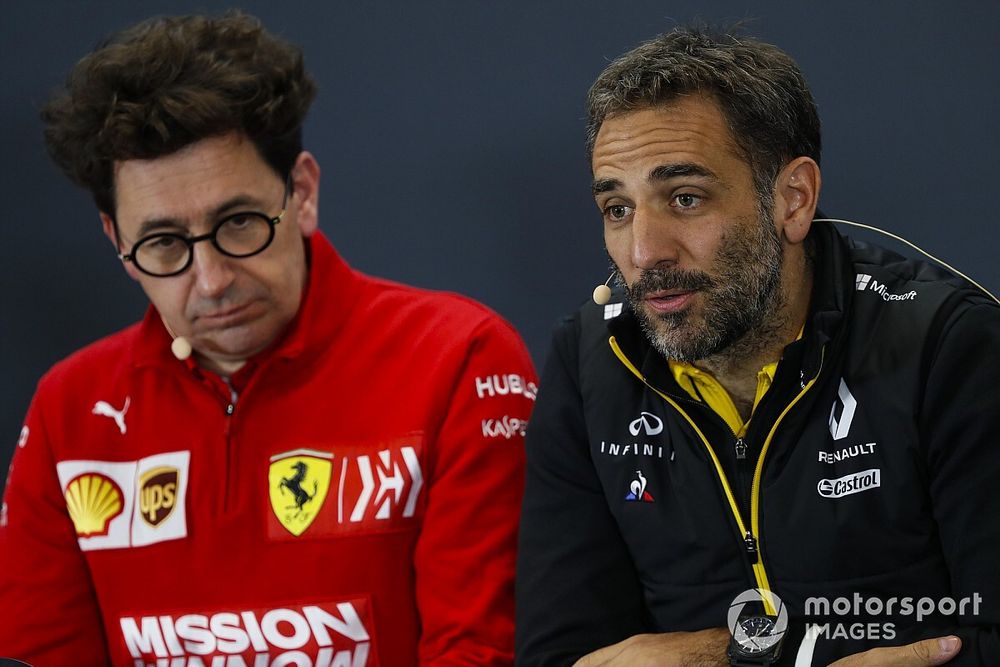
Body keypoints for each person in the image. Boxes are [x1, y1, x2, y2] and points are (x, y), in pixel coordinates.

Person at [0, 12, 537, 666]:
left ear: (302, 193)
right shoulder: (69, 409)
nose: (212, 279)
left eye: (239, 222)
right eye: (164, 243)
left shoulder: (460, 358)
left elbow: (478, 652)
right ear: (118, 242)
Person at [516, 26, 1000, 666]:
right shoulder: (591, 361)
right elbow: (566, 657)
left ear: (792, 199)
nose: (642, 253)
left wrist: (731, 657)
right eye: (617, 209)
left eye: (684, 198)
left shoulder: (950, 345)